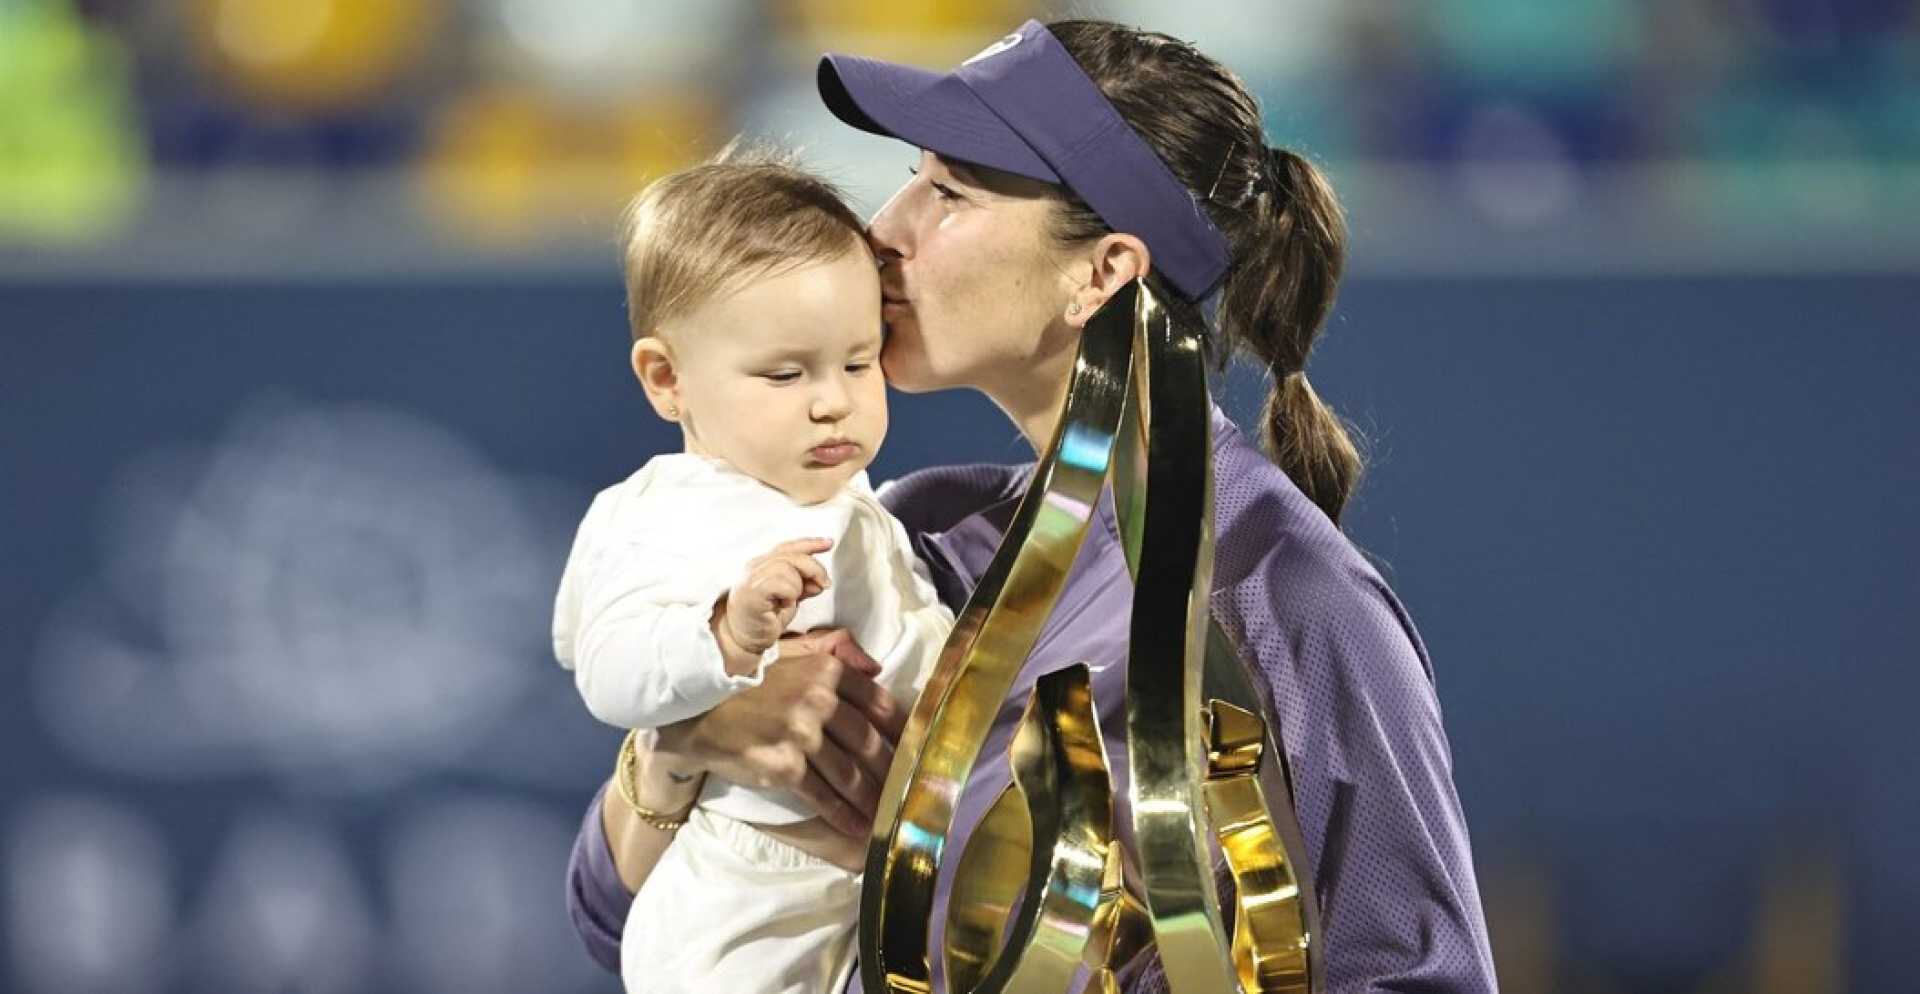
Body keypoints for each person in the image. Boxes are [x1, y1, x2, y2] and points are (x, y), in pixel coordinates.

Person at [567, 19, 1498, 994]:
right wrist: (682, 752)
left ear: (1102, 273)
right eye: (912, 176)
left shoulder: (1283, 592)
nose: (884, 229)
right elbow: (611, 914)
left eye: (949, 194)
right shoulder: (916, 533)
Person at [552, 149, 954, 994]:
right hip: (744, 892)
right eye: (785, 373)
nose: (832, 400)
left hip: (875, 888)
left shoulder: (859, 501)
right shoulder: (664, 511)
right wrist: (724, 637)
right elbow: (608, 668)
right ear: (667, 380)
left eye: (858, 361)